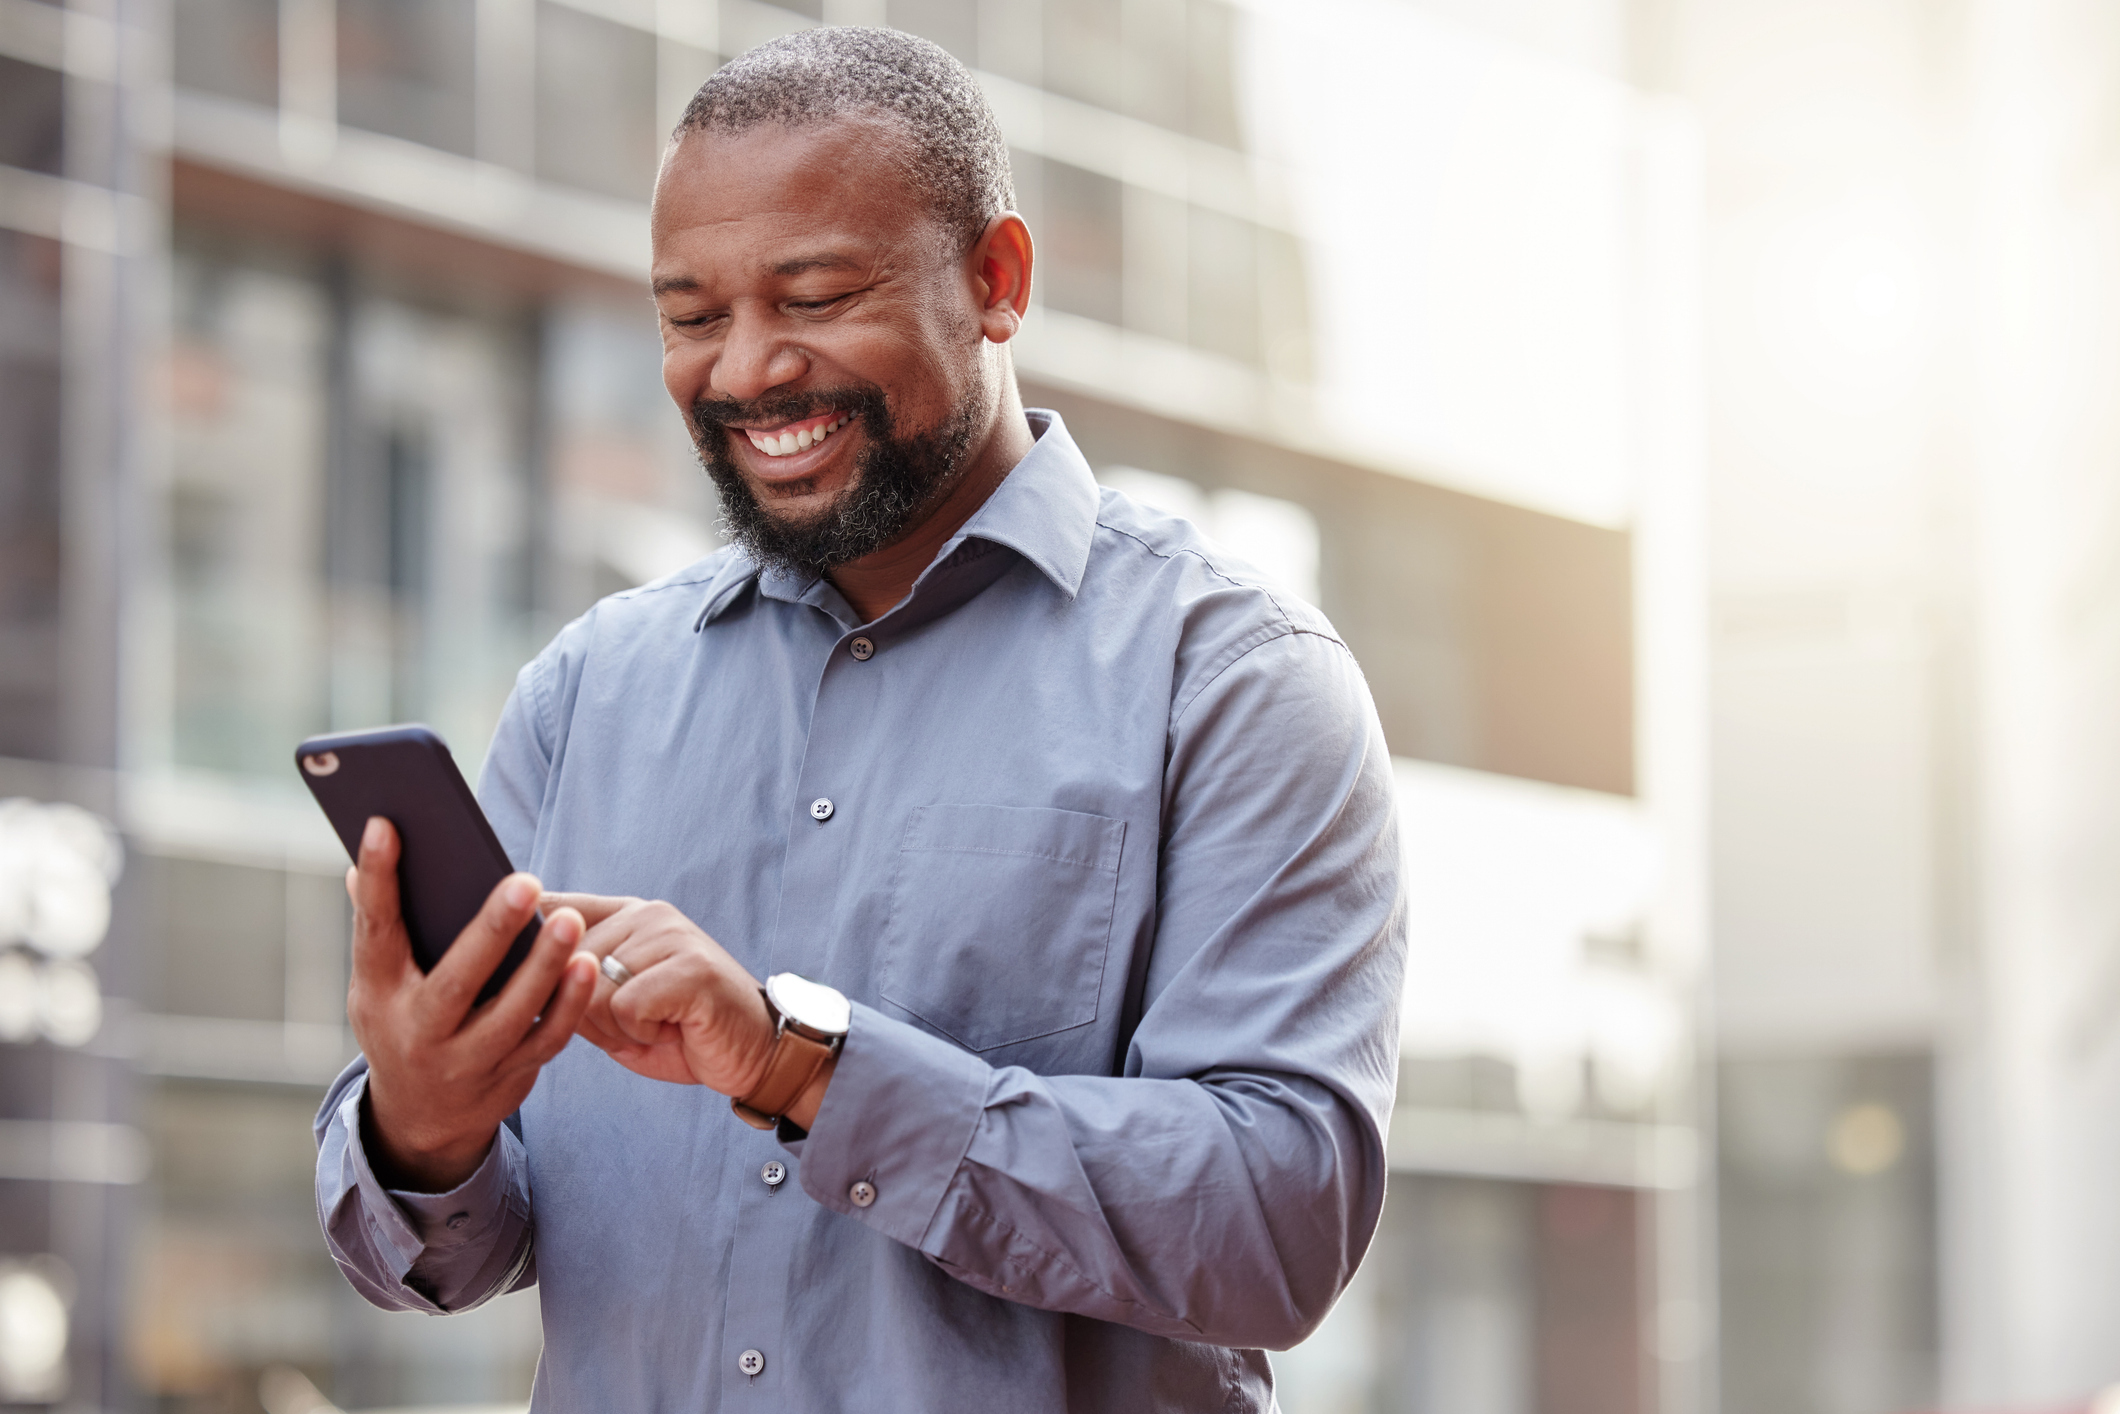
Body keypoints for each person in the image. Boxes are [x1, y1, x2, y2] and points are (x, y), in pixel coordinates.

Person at [314, 26, 1404, 1413]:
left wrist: (800, 1064)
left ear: (996, 281)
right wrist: (422, 1122)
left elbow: (1277, 1223)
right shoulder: (589, 691)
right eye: (693, 317)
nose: (750, 370)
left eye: (817, 296)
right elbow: (435, 1248)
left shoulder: (1236, 685)